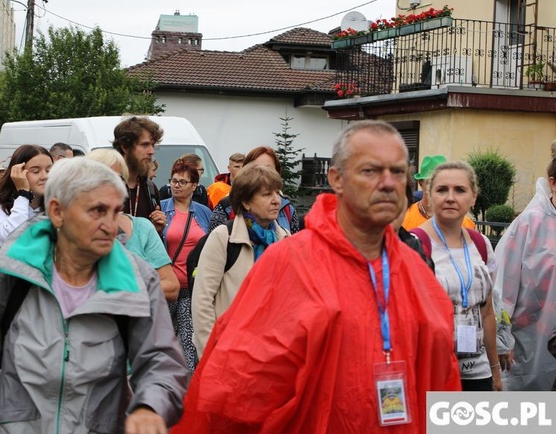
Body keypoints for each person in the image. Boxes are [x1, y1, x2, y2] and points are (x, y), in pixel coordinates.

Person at [176, 121, 460, 432]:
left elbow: (442, 377)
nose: (388, 183)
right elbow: (240, 383)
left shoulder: (417, 271)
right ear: (336, 179)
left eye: (397, 172)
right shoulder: (290, 260)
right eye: (370, 171)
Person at [0, 157, 187, 433]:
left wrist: (150, 406)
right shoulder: (14, 267)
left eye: (116, 211)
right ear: (57, 212)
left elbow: (160, 359)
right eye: (97, 210)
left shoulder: (136, 278)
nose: (111, 226)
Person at [411, 161, 500, 392]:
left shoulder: (481, 244)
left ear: (473, 198)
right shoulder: (413, 244)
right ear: (429, 196)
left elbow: (488, 313)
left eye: (460, 190)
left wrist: (495, 370)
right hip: (432, 374)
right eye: (442, 190)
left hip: (478, 372)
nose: (451, 197)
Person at [191, 163, 289, 358]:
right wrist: (211, 355)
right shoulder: (224, 237)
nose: (276, 200)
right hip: (227, 353)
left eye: (277, 193)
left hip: (268, 356)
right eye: (267, 194)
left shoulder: (285, 239)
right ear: (246, 202)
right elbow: (202, 300)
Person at [494, 158, 556, 390]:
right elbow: (503, 285)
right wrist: (502, 338)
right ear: (553, 183)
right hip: (527, 342)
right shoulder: (528, 224)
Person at [87, 149, 180, 301]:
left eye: (118, 179)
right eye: (103, 178)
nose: (112, 185)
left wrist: (123, 290)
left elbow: (172, 287)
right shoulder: (72, 229)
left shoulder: (142, 228)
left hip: (137, 322)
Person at [161, 159, 212, 372]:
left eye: (183, 182)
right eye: (174, 180)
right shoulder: (160, 209)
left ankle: (187, 390)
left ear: (194, 186)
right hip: (167, 288)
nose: (176, 185)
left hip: (192, 289)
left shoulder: (204, 212)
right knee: (162, 339)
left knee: (190, 344)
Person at [0, 144, 53, 255]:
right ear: (17, 174)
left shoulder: (58, 207)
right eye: (36, 171)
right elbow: (13, 238)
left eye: (49, 170)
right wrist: (23, 193)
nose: (44, 176)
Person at [209, 146, 300, 234]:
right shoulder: (227, 207)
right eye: (257, 169)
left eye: (269, 169)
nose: (264, 174)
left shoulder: (288, 210)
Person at [112, 116, 165, 232]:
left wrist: (156, 230)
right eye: (145, 145)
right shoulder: (108, 186)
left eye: (152, 145)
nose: (151, 151)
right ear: (125, 147)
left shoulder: (150, 188)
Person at [403, 155, 477, 231]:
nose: (450, 197)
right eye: (429, 182)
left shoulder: (466, 224)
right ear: (421, 183)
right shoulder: (404, 218)